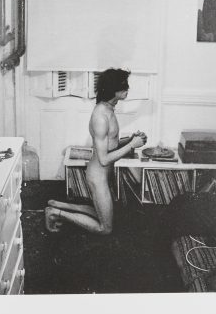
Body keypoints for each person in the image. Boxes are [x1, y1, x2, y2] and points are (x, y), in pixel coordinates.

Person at [45, 68, 146, 235]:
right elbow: (104, 159)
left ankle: (57, 204)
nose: (127, 89)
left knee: (102, 213)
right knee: (105, 228)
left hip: (104, 175)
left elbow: (110, 144)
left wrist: (130, 140)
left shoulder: (108, 109)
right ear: (113, 89)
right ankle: (55, 212)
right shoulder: (100, 116)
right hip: (97, 177)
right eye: (124, 86)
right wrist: (131, 146)